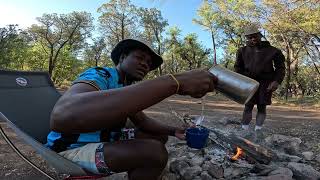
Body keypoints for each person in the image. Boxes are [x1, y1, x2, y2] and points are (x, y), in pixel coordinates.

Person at [45, 38, 218, 180]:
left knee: (158, 136)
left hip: (104, 140)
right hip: (71, 149)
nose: (145, 65)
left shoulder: (125, 86)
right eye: (140, 58)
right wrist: (173, 82)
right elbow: (62, 116)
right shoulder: (100, 74)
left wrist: (175, 131)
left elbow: (142, 121)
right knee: (154, 153)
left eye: (149, 63)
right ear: (122, 58)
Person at [234, 25, 285, 132]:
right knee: (248, 106)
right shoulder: (242, 51)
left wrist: (276, 81)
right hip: (249, 83)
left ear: (260, 35)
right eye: (250, 37)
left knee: (262, 107)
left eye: (255, 36)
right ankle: (244, 129)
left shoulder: (273, 51)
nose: (253, 39)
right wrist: (241, 82)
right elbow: (238, 68)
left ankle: (258, 130)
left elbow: (280, 68)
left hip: (266, 82)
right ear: (247, 38)